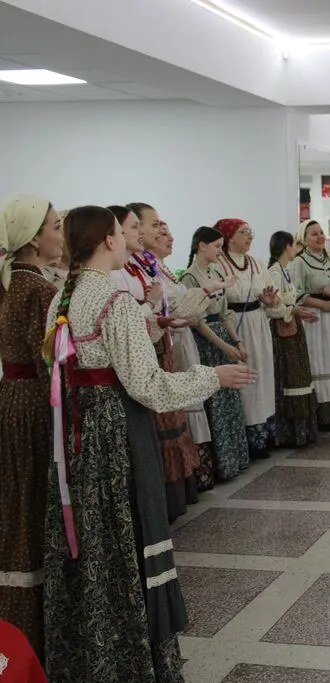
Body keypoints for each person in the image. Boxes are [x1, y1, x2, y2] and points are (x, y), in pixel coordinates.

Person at [41, 205, 254, 683]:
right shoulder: (113, 300)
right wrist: (212, 377)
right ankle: (132, 661)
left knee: (94, 541)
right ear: (108, 240)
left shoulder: (61, 299)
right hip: (119, 436)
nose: (126, 238)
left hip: (75, 437)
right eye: (122, 232)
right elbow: (148, 386)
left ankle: (88, 658)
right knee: (130, 537)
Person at [110, 205, 205, 521]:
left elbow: (156, 309)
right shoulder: (117, 273)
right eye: (137, 226)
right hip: (140, 356)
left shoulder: (140, 267)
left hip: (157, 346)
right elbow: (125, 322)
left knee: (168, 419)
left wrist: (159, 315)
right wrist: (152, 310)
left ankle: (174, 495)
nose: (142, 232)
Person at [0, 195, 61, 658]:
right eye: (56, 227)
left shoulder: (10, 283)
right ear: (35, 239)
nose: (62, 236)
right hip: (35, 406)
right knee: (34, 504)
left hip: (10, 399)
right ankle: (35, 624)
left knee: (16, 505)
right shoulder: (38, 290)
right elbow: (48, 366)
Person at [149, 226, 219, 491]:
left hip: (178, 338)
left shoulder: (160, 269)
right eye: (160, 230)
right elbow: (178, 310)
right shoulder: (150, 271)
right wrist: (207, 292)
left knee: (189, 404)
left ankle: (195, 473)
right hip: (170, 342)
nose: (171, 237)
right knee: (182, 403)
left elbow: (185, 310)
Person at [180, 226, 250, 481]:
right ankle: (219, 463)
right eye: (217, 246)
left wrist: (237, 341)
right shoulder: (189, 278)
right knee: (214, 400)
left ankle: (235, 458)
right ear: (202, 246)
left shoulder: (216, 272)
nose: (220, 252)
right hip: (206, 340)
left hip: (222, 335)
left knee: (230, 400)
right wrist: (223, 345)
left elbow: (224, 312)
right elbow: (198, 320)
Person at [215, 218, 281, 456]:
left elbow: (273, 298)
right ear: (229, 236)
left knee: (263, 376)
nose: (249, 236)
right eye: (243, 232)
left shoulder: (256, 263)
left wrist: (270, 301)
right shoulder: (219, 263)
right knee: (244, 377)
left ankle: (265, 434)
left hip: (258, 322)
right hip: (235, 324)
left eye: (250, 232)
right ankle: (248, 439)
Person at [290, 219, 330, 429]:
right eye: (314, 234)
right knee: (318, 360)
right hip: (314, 319)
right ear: (304, 239)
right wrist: (320, 303)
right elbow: (295, 293)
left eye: (321, 233)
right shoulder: (299, 262)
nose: (320, 237)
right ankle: (320, 416)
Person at [267, 231, 320, 446]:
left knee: (300, 376)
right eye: (294, 245)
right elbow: (272, 307)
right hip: (283, 331)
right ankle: (290, 431)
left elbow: (288, 301)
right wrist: (293, 310)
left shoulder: (285, 270)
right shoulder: (273, 272)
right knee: (291, 376)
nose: (297, 249)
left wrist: (297, 311)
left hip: (293, 327)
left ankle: (303, 430)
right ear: (287, 247)